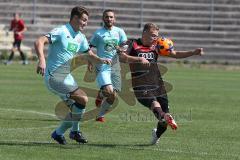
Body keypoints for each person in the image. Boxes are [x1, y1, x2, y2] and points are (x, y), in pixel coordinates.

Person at [35, 6, 111, 145]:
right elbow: (39, 41)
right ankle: (72, 132)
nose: (85, 23)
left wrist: (100, 60)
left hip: (66, 77)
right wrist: (42, 59)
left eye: (86, 21)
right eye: (83, 20)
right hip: (54, 77)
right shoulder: (62, 31)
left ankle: (63, 133)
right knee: (83, 98)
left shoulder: (80, 37)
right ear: (75, 18)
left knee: (77, 107)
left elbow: (89, 54)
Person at [124, 23, 204, 145]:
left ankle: (156, 134)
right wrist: (138, 59)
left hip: (157, 84)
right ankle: (164, 116)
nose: (155, 38)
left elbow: (175, 54)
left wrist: (193, 52)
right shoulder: (132, 43)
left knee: (164, 118)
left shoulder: (156, 45)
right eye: (152, 35)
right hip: (140, 84)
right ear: (144, 33)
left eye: (156, 36)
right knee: (154, 104)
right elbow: (121, 56)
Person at [89, 9, 148, 122]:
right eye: (106, 17)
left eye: (111, 17)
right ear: (103, 18)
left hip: (115, 66)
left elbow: (125, 45)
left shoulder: (119, 31)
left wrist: (121, 49)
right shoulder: (98, 33)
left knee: (114, 96)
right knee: (110, 92)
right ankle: (102, 96)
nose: (109, 19)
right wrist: (90, 61)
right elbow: (89, 48)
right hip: (102, 66)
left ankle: (100, 111)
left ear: (114, 19)